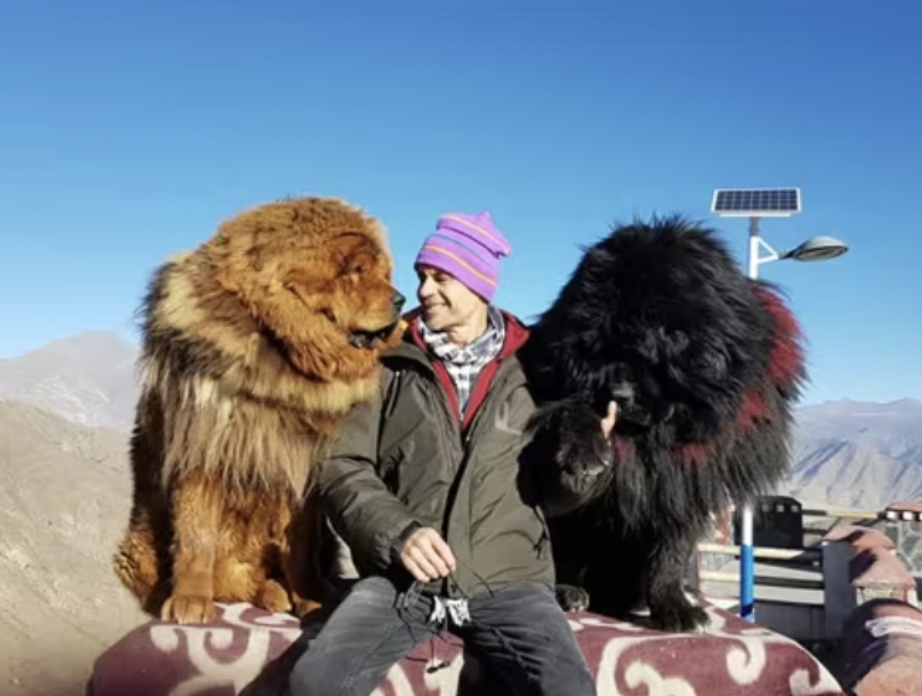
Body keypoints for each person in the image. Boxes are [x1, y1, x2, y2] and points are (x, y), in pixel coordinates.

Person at [286, 211, 617, 696]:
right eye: (422, 276)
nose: (423, 291)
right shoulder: (385, 361)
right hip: (400, 581)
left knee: (567, 690)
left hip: (511, 582)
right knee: (314, 683)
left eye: (441, 278)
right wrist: (398, 534)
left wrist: (587, 463)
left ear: (479, 284)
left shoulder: (537, 369)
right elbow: (343, 466)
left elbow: (552, 497)